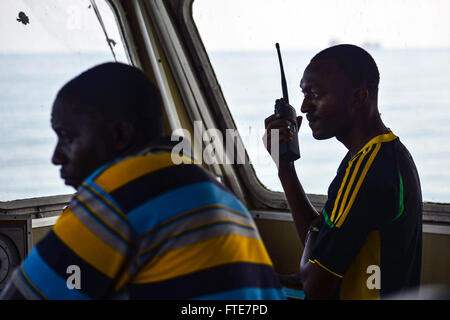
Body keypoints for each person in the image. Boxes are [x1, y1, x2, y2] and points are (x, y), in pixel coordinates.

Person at [0, 62, 284, 300]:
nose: (56, 157)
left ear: (119, 136)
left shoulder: (117, 193)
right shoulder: (216, 192)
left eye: (68, 137)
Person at [263, 44, 422, 299]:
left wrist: (316, 236)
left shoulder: (369, 170)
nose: (304, 107)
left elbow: (314, 284)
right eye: (303, 94)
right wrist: (285, 169)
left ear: (358, 98)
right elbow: (322, 240)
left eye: (314, 94)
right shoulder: (377, 154)